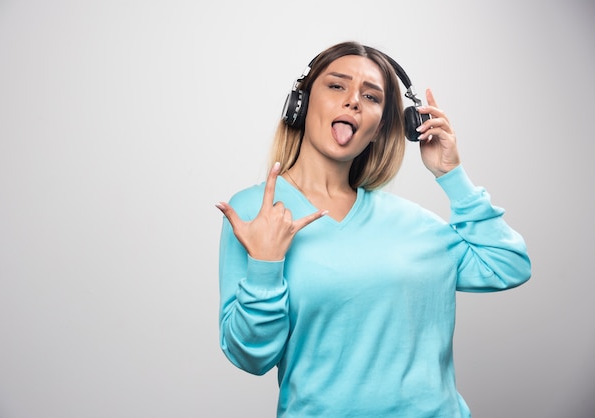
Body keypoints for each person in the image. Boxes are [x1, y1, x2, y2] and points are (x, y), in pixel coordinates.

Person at [215, 41, 531, 417]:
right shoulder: (257, 210)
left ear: (381, 128)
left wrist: (452, 175)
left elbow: (508, 264)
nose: (353, 101)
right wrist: (265, 266)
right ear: (299, 105)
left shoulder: (415, 225)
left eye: (371, 96)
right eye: (336, 86)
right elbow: (249, 355)